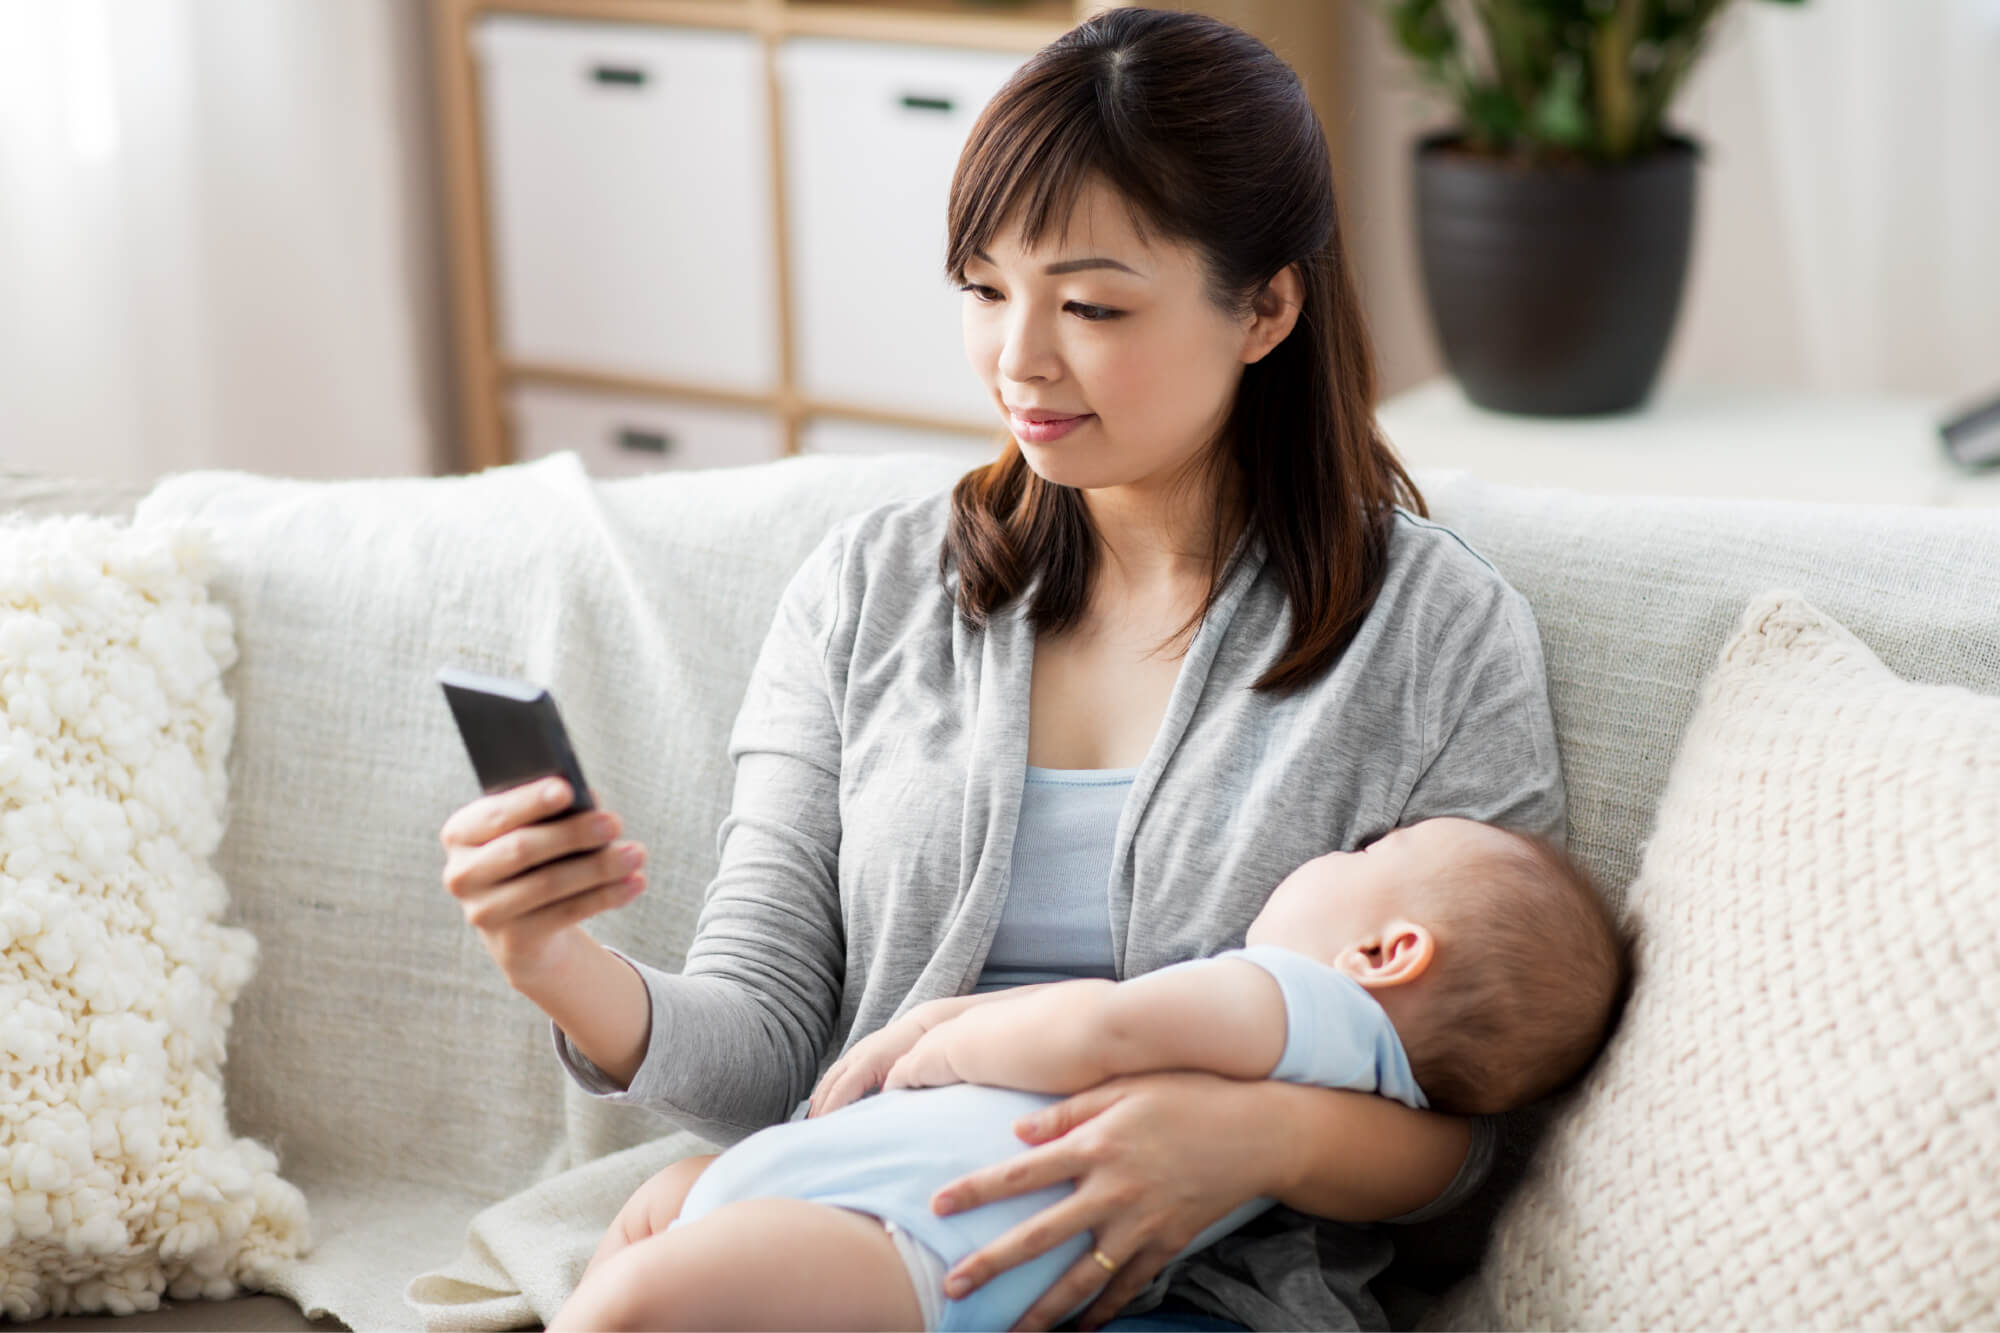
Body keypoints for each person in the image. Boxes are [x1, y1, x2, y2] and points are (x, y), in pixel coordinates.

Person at [438, 7, 1572, 1330]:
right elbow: (772, 1040)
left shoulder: (1434, 635)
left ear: (1266, 306)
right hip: (882, 1240)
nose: (1018, 361)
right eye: (985, 290)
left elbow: (1481, 1135)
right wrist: (558, 960)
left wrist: (1252, 1143)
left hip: (1214, 1292)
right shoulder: (865, 598)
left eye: (1091, 304)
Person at [542, 816, 1629, 1332]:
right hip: (873, 1203)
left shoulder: (1298, 1000)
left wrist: (945, 1038)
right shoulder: (1341, 1067)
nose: (1327, 854)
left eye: (1356, 855)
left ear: (1386, 952)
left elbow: (1101, 1033)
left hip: (917, 1238)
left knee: (642, 1289)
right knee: (663, 1216)